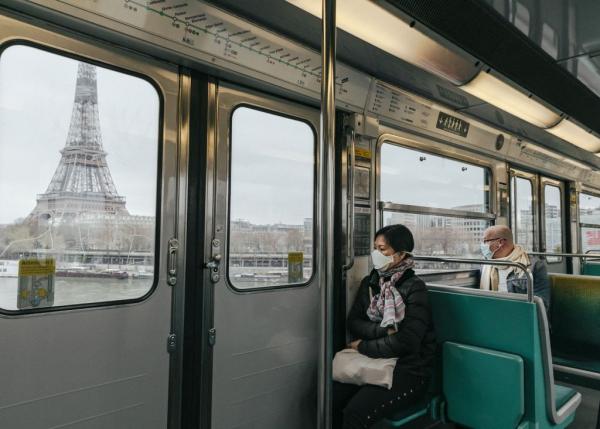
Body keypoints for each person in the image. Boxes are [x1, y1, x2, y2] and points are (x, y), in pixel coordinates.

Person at [333, 224, 436, 429]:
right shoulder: (371, 282)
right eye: (375, 248)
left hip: (409, 369)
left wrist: (362, 346)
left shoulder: (415, 287)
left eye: (382, 249)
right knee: (330, 398)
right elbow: (354, 322)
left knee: (356, 412)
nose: (376, 254)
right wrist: (383, 330)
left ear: (400, 255)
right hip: (375, 361)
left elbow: (407, 342)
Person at [480, 225, 550, 311]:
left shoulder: (534, 266)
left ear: (500, 243)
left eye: (485, 241)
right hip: (491, 311)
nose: (482, 245)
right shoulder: (485, 265)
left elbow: (541, 306)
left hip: (517, 314)